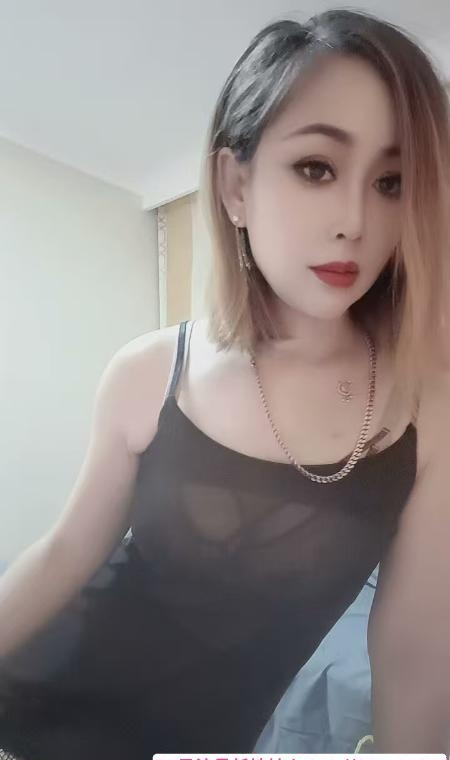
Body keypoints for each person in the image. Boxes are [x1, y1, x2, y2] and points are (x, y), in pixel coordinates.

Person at [1, 8, 450, 758]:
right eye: (316, 168)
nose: (355, 220)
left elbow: (415, 660)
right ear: (235, 184)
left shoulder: (425, 410)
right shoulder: (151, 371)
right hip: (27, 715)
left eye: (391, 181)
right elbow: (62, 555)